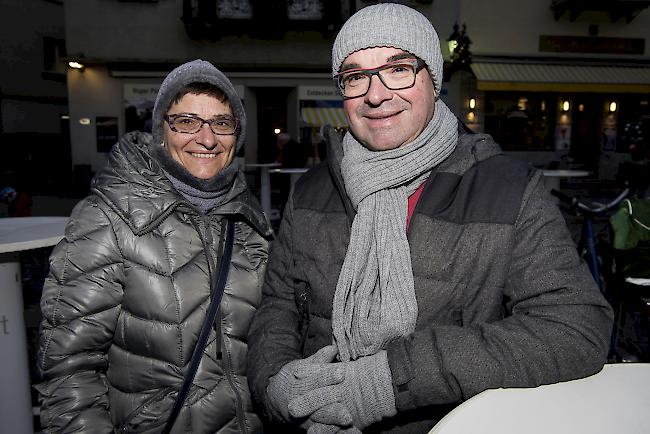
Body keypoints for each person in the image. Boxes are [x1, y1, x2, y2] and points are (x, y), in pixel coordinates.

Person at [247, 4, 614, 433]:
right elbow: (278, 306)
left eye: (398, 68)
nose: (376, 93)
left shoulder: (508, 189)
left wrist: (394, 379)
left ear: (433, 81)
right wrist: (274, 383)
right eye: (354, 76)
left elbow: (575, 329)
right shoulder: (311, 190)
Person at [37, 59, 272, 433]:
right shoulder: (106, 218)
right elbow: (69, 371)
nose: (207, 139)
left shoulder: (250, 221)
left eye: (221, 123)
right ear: (162, 129)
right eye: (187, 121)